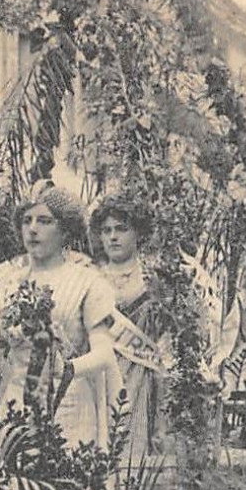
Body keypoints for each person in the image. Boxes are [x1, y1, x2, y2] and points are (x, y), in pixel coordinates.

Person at [0, 182, 117, 457]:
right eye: (27, 221)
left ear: (65, 230)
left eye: (45, 221)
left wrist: (67, 369)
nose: (33, 229)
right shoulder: (8, 284)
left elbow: (104, 353)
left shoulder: (88, 282)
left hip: (69, 405)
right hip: (16, 404)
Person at [90, 194, 169, 471]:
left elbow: (165, 337)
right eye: (106, 230)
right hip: (97, 375)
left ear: (138, 233)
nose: (113, 237)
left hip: (139, 374)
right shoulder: (90, 276)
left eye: (122, 229)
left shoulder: (153, 278)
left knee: (129, 459)